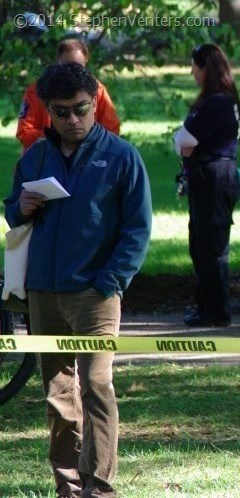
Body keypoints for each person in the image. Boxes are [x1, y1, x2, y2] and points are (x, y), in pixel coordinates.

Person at [3, 62, 152, 498]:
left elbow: (138, 229)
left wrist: (111, 280)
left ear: (95, 103)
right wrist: (22, 207)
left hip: (95, 294)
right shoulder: (35, 157)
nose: (72, 120)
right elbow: (12, 212)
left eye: (81, 109)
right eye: (61, 112)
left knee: (97, 387)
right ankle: (67, 485)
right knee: (58, 393)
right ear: (48, 111)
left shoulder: (122, 157)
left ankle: (99, 487)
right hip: (43, 293)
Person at [173, 43, 240, 327]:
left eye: (194, 66)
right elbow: (185, 143)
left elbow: (182, 141)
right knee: (201, 244)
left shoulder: (218, 102)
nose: (192, 72)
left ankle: (216, 311)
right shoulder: (220, 100)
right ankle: (206, 307)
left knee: (211, 248)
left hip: (213, 178)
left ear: (206, 68)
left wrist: (189, 146)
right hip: (210, 177)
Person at [16, 37, 121, 153]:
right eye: (67, 66)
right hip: (45, 155)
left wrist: (84, 142)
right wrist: (61, 139)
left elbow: (112, 130)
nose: (71, 73)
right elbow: (25, 132)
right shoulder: (37, 91)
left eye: (77, 67)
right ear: (58, 62)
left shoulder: (97, 90)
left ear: (86, 62)